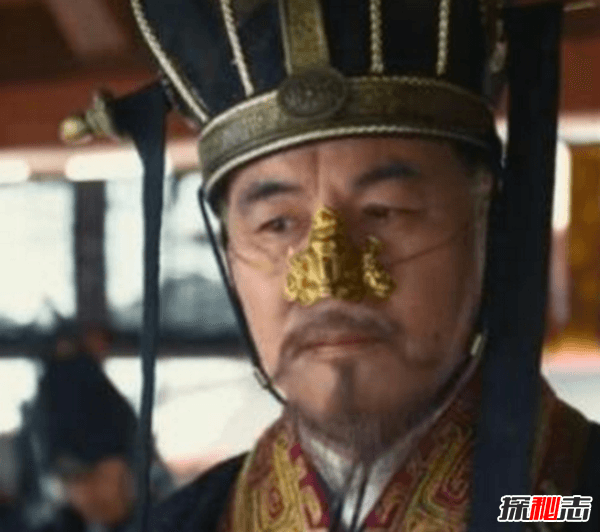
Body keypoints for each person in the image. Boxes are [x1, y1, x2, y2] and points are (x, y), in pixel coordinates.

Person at [61, 0, 600, 530]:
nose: (329, 279)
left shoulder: (568, 503)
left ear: (489, 224)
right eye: (277, 224)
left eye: (385, 211)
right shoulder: (184, 522)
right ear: (229, 258)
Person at [28, 353, 172, 532]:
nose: (85, 494)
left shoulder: (168, 521)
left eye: (96, 476)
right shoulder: (63, 524)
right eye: (73, 480)